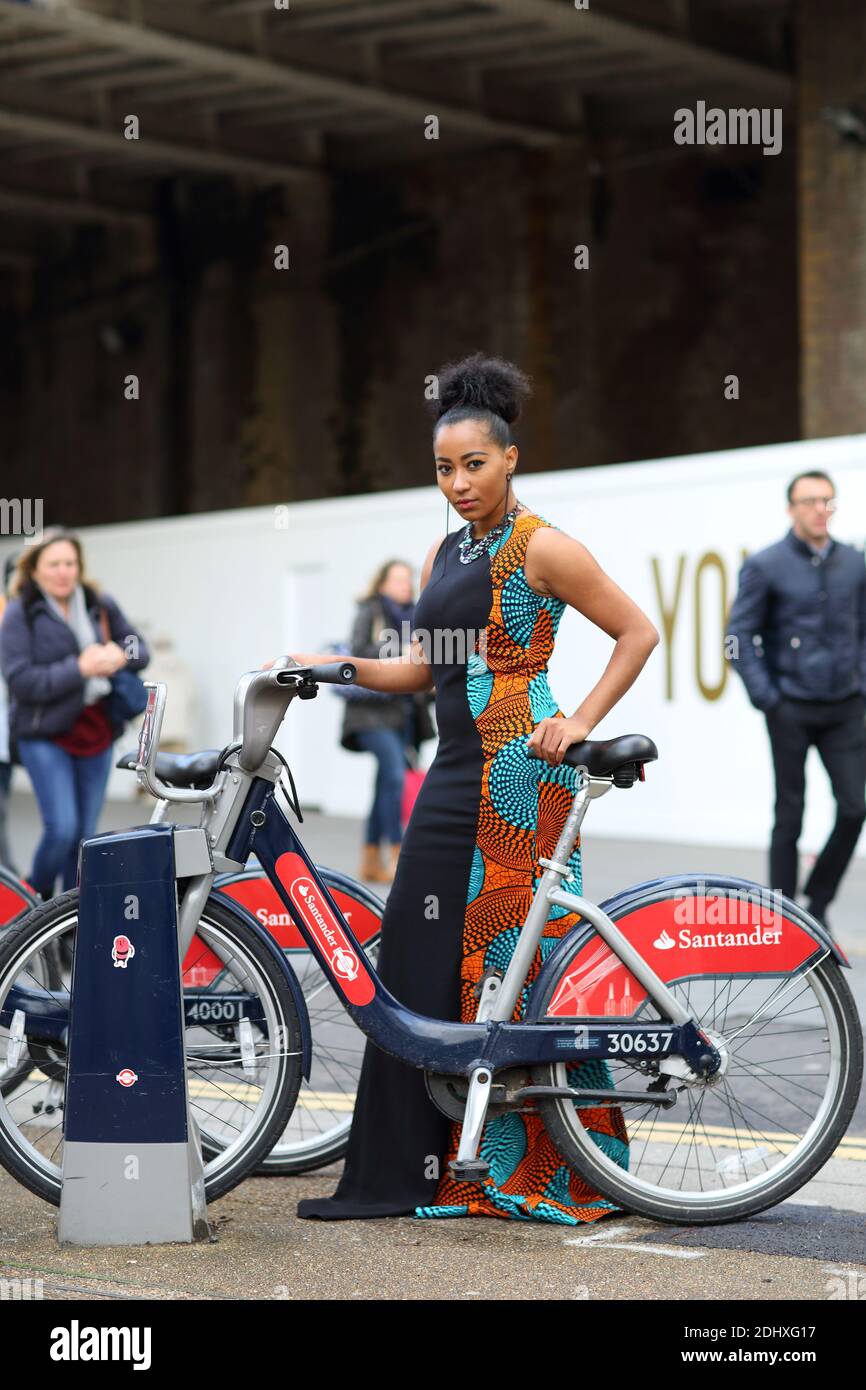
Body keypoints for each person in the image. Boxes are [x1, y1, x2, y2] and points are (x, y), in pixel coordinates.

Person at [274, 352, 659, 1224]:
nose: (458, 483)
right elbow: (419, 672)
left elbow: (637, 631)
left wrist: (581, 720)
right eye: (444, 469)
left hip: (522, 772)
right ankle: (404, 1173)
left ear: (510, 459)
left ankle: (545, 1168)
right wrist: (324, 666)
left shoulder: (545, 546)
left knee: (519, 978)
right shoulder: (447, 549)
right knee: (413, 960)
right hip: (452, 773)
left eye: (474, 464)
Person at [725, 471, 866, 935]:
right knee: (790, 813)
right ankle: (781, 918)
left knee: (854, 806)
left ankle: (818, 900)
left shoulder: (854, 563)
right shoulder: (766, 564)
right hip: (790, 705)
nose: (819, 509)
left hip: (845, 704)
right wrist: (767, 697)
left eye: (827, 500)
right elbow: (737, 636)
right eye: (809, 501)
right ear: (791, 509)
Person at [0, 528, 150, 902]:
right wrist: (79, 669)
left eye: (70, 563)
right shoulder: (21, 612)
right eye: (54, 564)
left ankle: (69, 918)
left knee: (85, 836)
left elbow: (138, 646)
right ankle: (34, 903)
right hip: (43, 734)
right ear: (34, 569)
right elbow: (20, 680)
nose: (63, 571)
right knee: (62, 829)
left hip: (96, 732)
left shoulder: (98, 601)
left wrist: (121, 654)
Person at [340, 560, 435, 885]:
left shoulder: (418, 614)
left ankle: (369, 861)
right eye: (397, 579)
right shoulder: (371, 611)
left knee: (387, 784)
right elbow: (358, 650)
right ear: (381, 584)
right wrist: (399, 648)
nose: (405, 585)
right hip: (370, 714)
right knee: (394, 776)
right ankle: (397, 856)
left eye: (407, 579)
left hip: (404, 715)